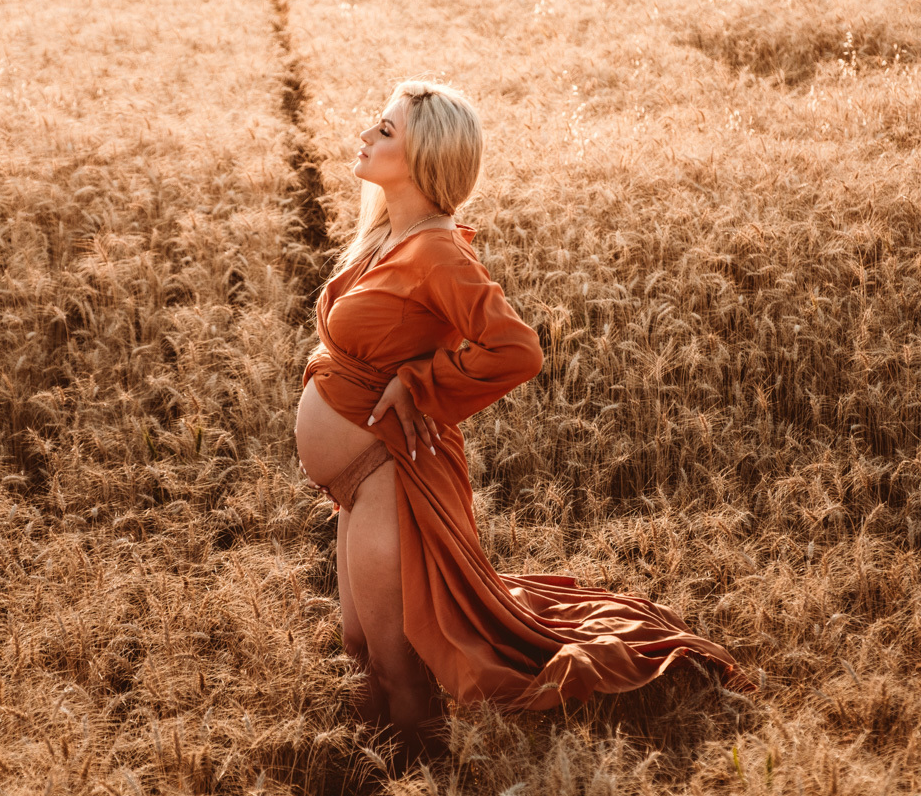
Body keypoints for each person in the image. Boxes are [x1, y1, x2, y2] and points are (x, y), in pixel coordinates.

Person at [294, 80, 752, 762]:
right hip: (357, 481)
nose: (366, 135)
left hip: (394, 476)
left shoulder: (439, 253)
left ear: (426, 158)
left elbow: (516, 349)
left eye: (385, 130)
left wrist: (422, 384)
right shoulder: (388, 237)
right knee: (360, 649)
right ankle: (367, 771)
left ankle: (428, 773)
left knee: (399, 668)